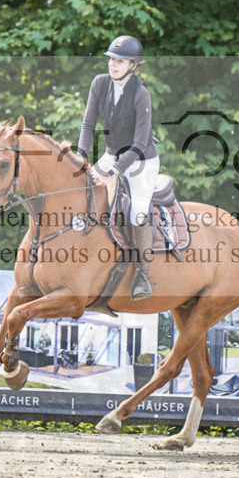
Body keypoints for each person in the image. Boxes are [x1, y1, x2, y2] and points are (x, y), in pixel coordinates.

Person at [77, 35, 159, 300]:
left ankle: (142, 275)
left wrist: (114, 173)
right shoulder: (100, 83)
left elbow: (140, 143)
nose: (113, 64)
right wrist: (80, 157)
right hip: (112, 154)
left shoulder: (141, 94)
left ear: (133, 65)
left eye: (120, 61)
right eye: (112, 59)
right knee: (80, 187)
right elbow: (88, 124)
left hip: (141, 160)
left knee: (137, 212)